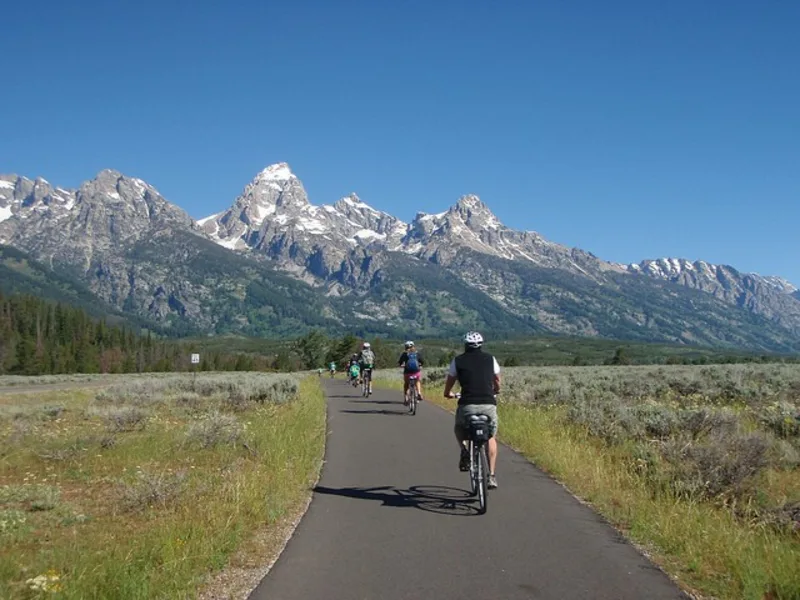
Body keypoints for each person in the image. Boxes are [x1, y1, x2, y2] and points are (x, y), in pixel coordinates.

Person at [443, 331, 501, 490]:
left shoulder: (458, 360)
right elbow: (497, 379)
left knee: (459, 428)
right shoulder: (491, 359)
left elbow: (450, 381)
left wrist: (448, 393)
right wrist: (496, 389)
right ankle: (492, 476)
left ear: (465, 345)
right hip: (488, 404)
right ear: (481, 344)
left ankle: (463, 450)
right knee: (491, 436)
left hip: (467, 404)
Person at [398, 341, 424, 405]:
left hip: (407, 372)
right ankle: (419, 393)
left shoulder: (404, 354)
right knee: (417, 381)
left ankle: (406, 398)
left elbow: (400, 363)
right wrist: (420, 365)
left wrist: (402, 365)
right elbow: (422, 361)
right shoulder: (417, 353)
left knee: (406, 384)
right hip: (416, 372)